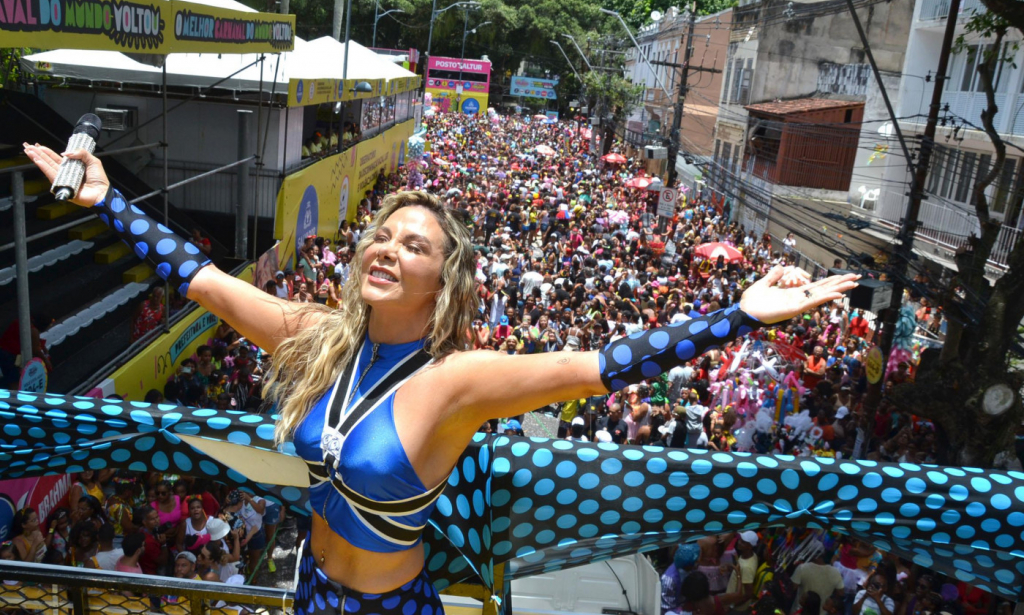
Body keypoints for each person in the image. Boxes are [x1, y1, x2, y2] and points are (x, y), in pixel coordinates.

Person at [23, 141, 858, 615]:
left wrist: (741, 315)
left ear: (444, 278)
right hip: (309, 591)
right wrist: (107, 203)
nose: (387, 248)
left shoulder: (463, 381)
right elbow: (203, 281)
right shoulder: (318, 337)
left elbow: (606, 366)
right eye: (382, 238)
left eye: (413, 245)